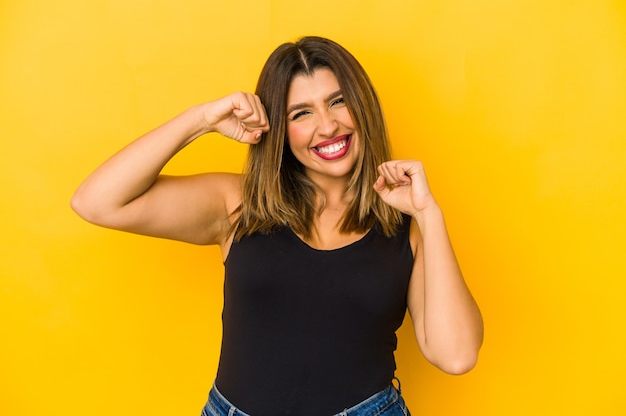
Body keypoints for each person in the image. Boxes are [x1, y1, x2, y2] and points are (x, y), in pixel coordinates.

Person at [71, 36, 483, 416]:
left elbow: (457, 355)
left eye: (338, 102)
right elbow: (97, 202)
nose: (327, 126)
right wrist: (202, 120)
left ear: (363, 106)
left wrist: (429, 215)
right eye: (301, 113)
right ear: (280, 131)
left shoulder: (405, 226)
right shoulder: (237, 204)